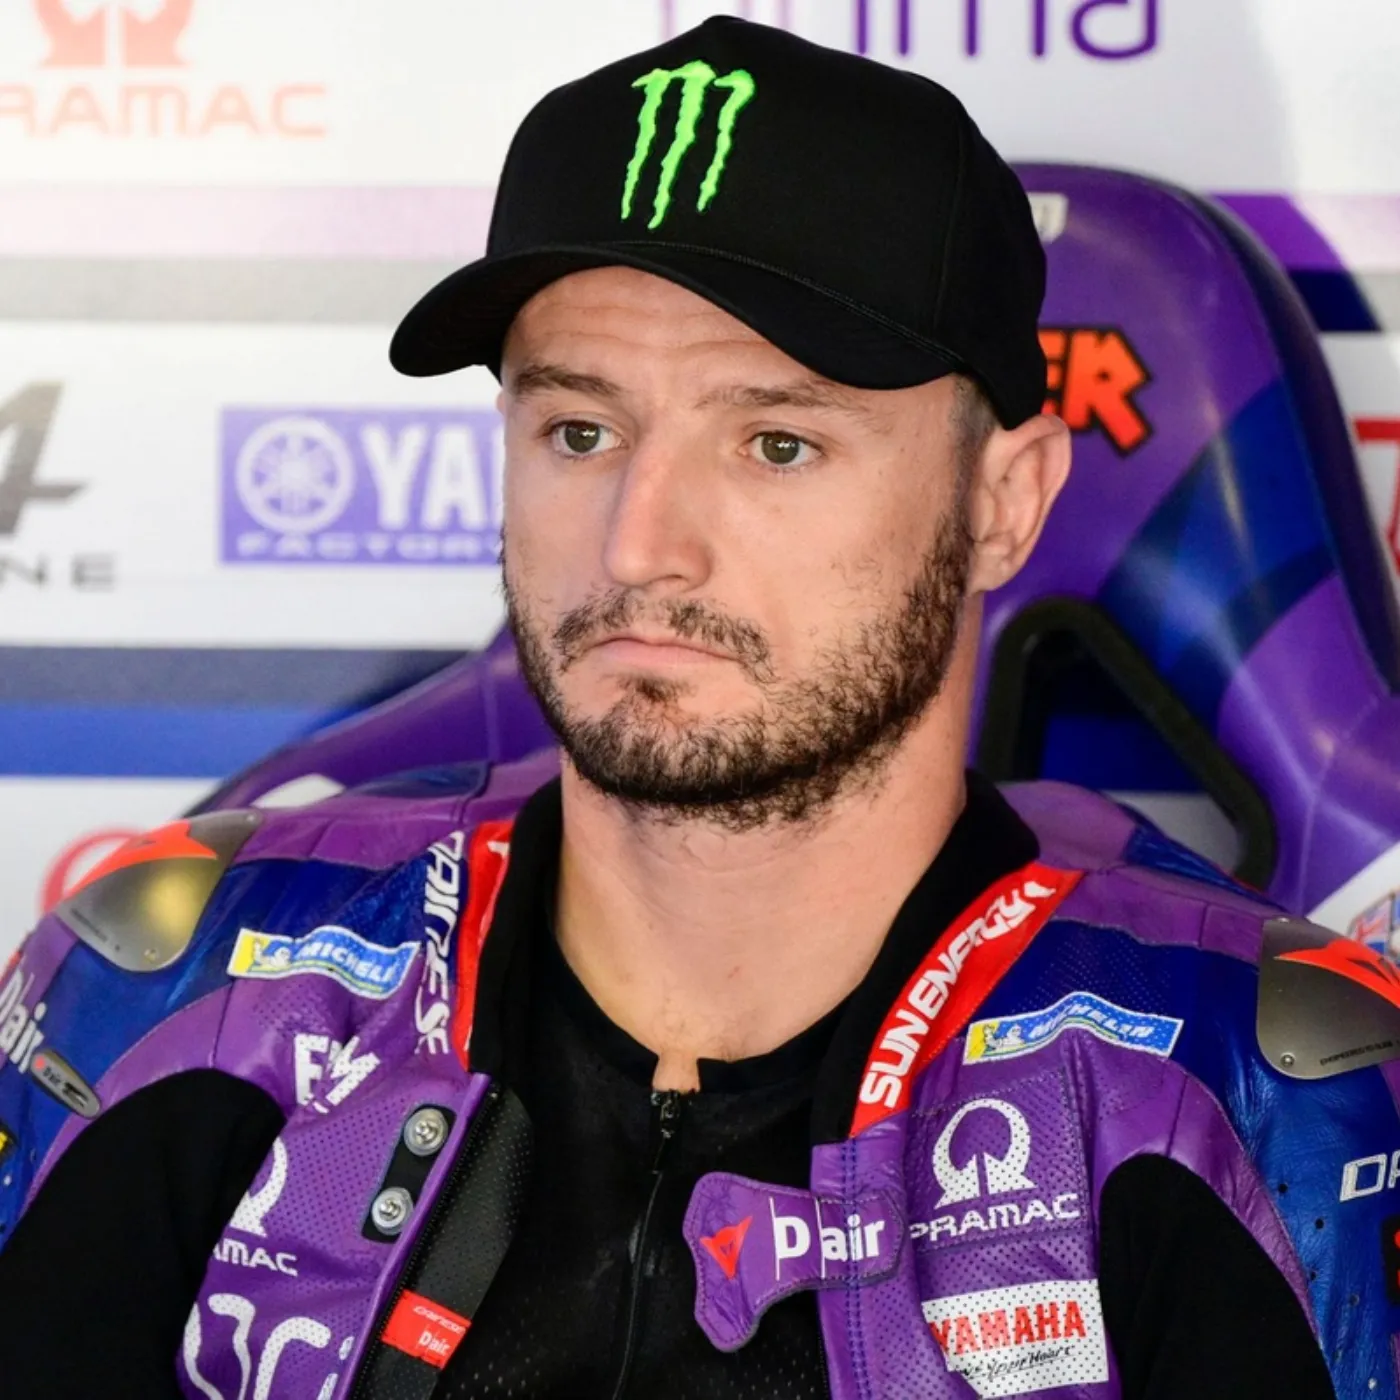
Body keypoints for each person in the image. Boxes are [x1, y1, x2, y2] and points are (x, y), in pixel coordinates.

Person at [0, 16, 1390, 1399]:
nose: (638, 546)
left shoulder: (1248, 1100)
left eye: (776, 443)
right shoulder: (176, 990)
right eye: (580, 431)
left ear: (1002, 502)